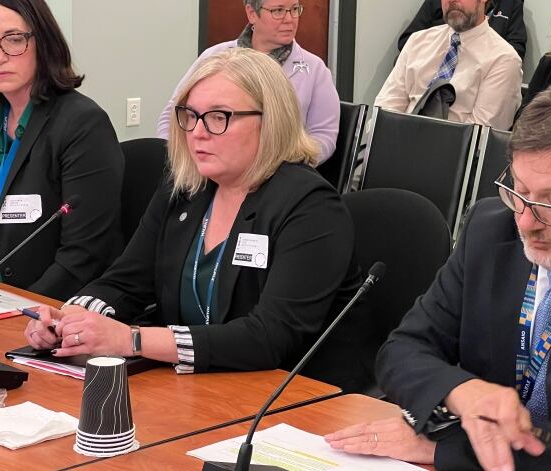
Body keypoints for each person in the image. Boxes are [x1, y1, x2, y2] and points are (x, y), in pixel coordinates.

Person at [325, 80, 551, 470]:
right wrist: (460, 391)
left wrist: (445, 451)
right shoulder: (490, 230)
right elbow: (402, 351)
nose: (526, 223)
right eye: (519, 191)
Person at [25, 48, 363, 385]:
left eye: (219, 117)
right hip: (191, 385)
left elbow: (269, 337)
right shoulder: (187, 187)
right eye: (191, 115)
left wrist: (134, 340)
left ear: (270, 120)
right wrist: (70, 317)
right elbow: (125, 281)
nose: (198, 132)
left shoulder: (310, 206)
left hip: (285, 396)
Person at [0, 0, 123, 301]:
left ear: (42, 41)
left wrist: (19, 313)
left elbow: (82, 259)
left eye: (13, 39)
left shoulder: (82, 125)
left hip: (53, 314)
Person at [156, 0, 339, 164]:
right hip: (210, 172)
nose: (289, 19)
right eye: (278, 11)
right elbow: (172, 114)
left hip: (280, 177)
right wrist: (181, 159)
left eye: (294, 9)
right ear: (252, 13)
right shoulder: (213, 57)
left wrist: (286, 165)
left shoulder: (314, 69)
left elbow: (324, 135)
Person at [376, 0, 522, 131]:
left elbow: (480, 138)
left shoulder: (503, 59)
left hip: (454, 150)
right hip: (397, 142)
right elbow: (386, 108)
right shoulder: (417, 42)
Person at [398, 0, 527, 60]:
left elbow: (517, 52)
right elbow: (407, 42)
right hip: (434, 69)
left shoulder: (510, 1)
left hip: (483, 72)